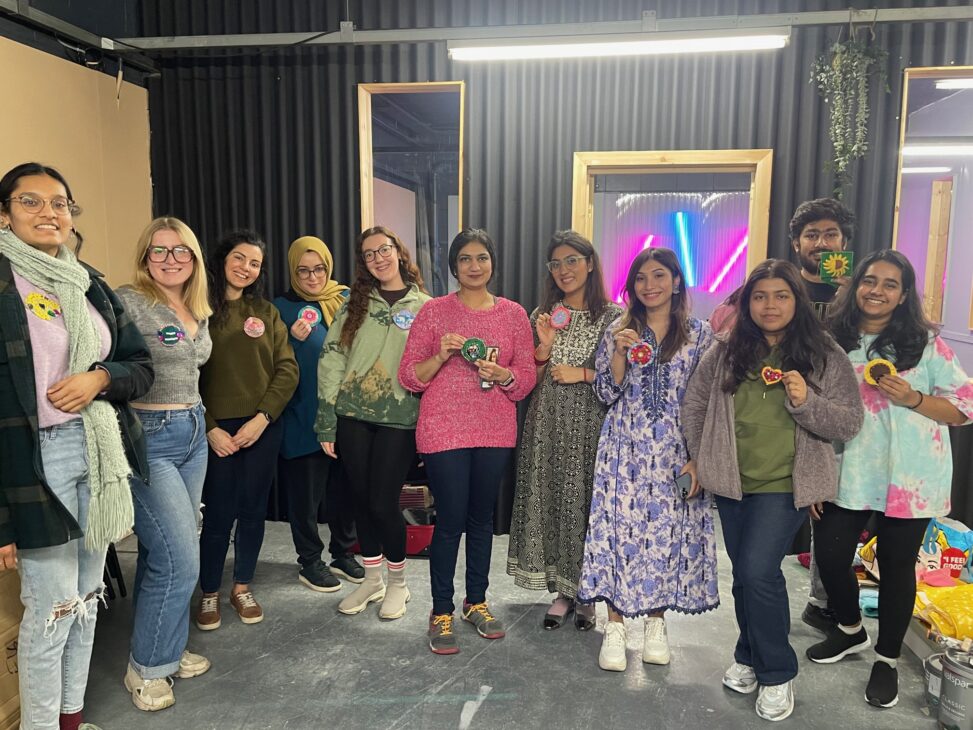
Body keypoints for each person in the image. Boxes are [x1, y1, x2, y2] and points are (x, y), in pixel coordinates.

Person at [0, 162, 153, 730]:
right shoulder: (2, 282)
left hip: (97, 452)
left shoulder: (88, 282)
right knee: (48, 612)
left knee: (87, 599)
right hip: (32, 464)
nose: (48, 213)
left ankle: (70, 719)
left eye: (60, 203)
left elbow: (139, 368)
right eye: (31, 202)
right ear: (5, 213)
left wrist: (98, 378)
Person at [682, 259, 862, 723]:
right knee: (746, 575)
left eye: (781, 295)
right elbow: (696, 402)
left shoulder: (823, 352)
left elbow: (848, 421)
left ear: (796, 300)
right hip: (733, 483)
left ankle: (778, 674)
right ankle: (747, 653)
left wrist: (806, 403)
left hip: (786, 486)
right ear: (747, 303)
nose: (770, 305)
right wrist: (701, 456)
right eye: (760, 296)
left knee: (759, 573)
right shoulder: (726, 348)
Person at [808, 250, 973, 708]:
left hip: (911, 476)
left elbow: (963, 408)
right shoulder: (831, 342)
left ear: (903, 296)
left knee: (898, 569)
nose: (877, 290)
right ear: (855, 286)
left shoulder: (924, 345)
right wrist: (815, 474)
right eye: (870, 281)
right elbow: (814, 409)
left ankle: (886, 658)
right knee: (831, 554)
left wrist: (915, 397)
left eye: (890, 284)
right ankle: (850, 630)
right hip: (850, 470)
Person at [575, 247, 717, 671]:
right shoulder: (619, 329)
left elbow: (706, 401)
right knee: (619, 532)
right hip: (624, 449)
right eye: (640, 277)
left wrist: (698, 459)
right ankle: (615, 626)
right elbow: (604, 393)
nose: (649, 285)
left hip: (675, 452)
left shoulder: (699, 334)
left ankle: (656, 623)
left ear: (676, 281)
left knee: (667, 535)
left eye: (659, 275)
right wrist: (618, 353)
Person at [399, 228, 535, 655]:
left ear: (493, 262)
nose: (474, 267)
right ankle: (440, 610)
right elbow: (409, 377)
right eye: (465, 260)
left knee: (481, 520)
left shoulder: (513, 314)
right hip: (443, 430)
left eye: (482, 258)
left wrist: (505, 375)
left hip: (494, 430)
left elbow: (526, 378)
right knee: (450, 521)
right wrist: (440, 354)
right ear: (453, 266)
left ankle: (475, 602)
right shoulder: (435, 312)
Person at [117, 217, 213, 711]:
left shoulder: (197, 305)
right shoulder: (128, 301)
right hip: (149, 436)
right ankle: (146, 668)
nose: (171, 260)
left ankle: (169, 650)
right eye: (160, 251)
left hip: (192, 431)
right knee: (180, 557)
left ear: (193, 259)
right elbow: (107, 367)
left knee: (166, 552)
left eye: (181, 252)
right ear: (145, 257)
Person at [507, 231, 621, 631]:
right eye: (556, 264)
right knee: (552, 501)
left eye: (572, 260)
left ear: (590, 263)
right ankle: (562, 592)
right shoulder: (544, 314)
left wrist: (584, 373)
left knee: (585, 507)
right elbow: (529, 379)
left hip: (592, 426)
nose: (564, 270)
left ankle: (587, 594)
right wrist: (543, 346)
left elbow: (623, 379)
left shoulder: (614, 316)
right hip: (547, 424)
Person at [315, 226, 430, 619]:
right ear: (363, 263)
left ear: (398, 252)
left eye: (383, 249)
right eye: (368, 254)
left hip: (399, 418)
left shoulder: (425, 307)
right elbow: (332, 359)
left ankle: (398, 584)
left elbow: (431, 369)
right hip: (352, 415)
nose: (378, 258)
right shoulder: (353, 305)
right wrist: (327, 420)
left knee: (383, 502)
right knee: (360, 500)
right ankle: (372, 578)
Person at [196, 230, 298, 629]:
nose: (246, 268)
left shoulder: (266, 312)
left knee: (254, 510)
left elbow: (287, 369)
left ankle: (241, 587)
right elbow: (183, 374)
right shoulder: (199, 309)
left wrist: (263, 418)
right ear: (223, 260)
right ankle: (208, 592)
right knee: (219, 513)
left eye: (254, 263)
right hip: (215, 429)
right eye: (239, 258)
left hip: (261, 426)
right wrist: (209, 428)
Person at [273, 236, 364, 593]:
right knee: (305, 495)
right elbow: (271, 362)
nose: (312, 277)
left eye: (319, 268)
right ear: (294, 271)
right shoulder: (280, 308)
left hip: (346, 415)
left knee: (346, 490)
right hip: (302, 414)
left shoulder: (346, 300)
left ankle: (343, 552)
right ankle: (310, 561)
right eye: (304, 270)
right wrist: (292, 340)